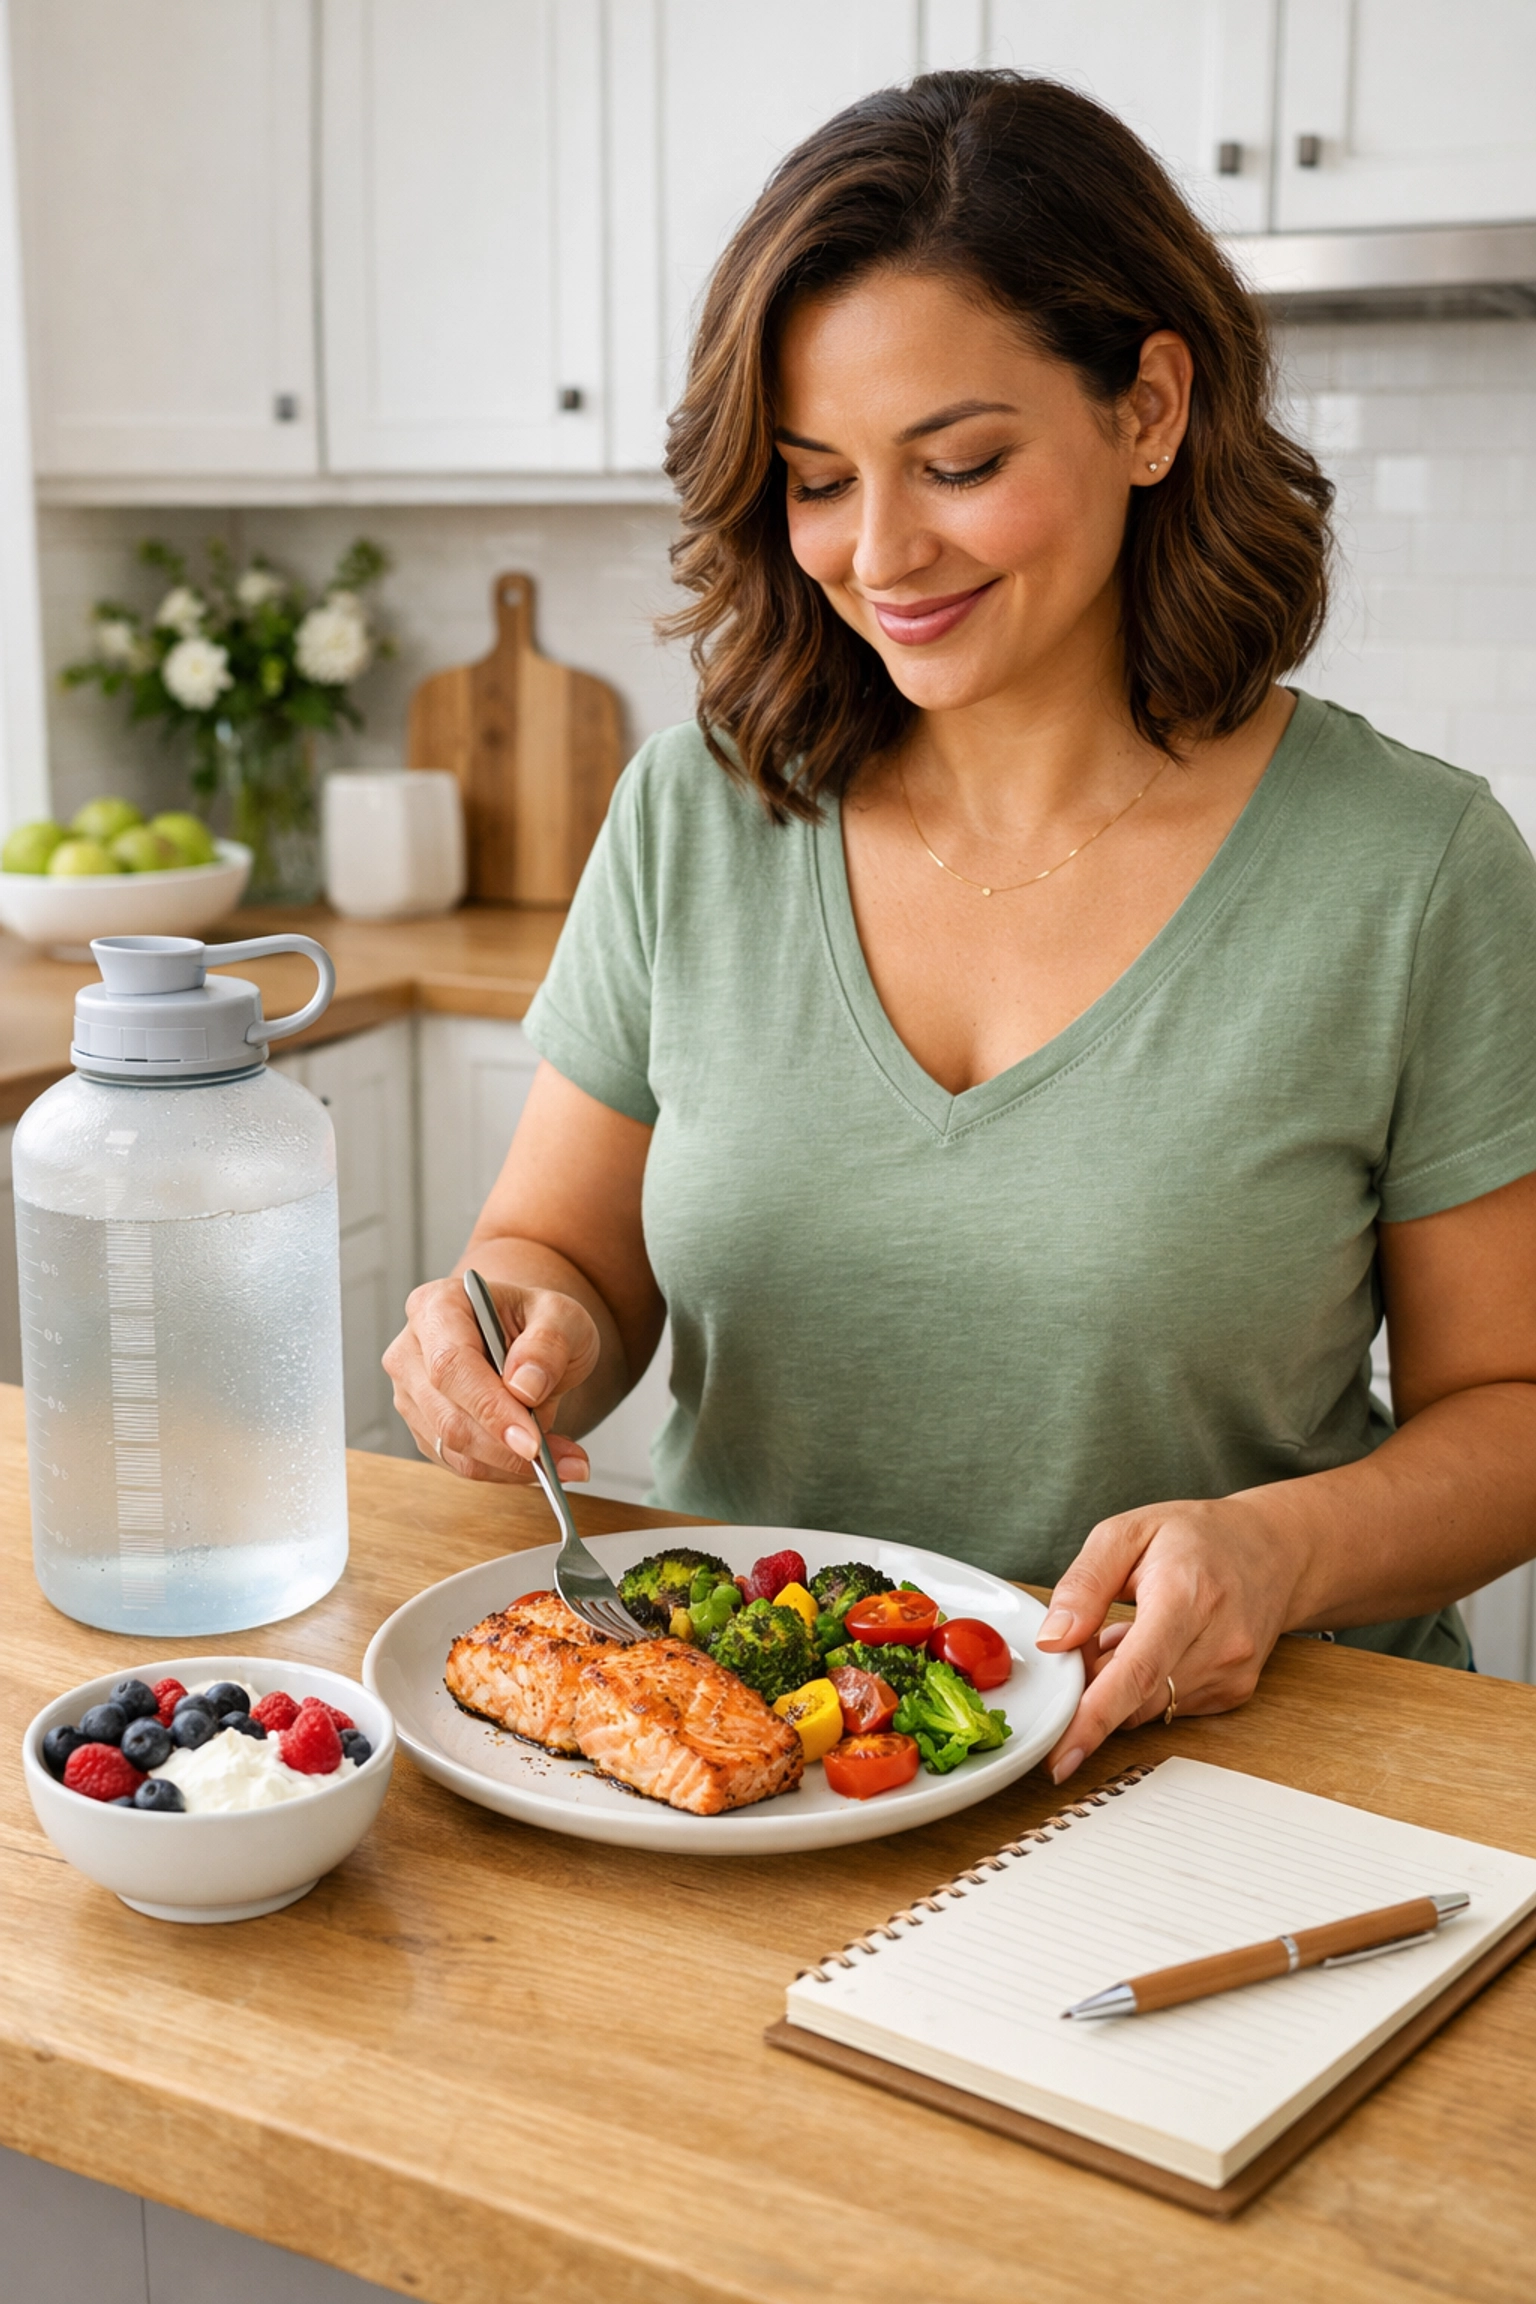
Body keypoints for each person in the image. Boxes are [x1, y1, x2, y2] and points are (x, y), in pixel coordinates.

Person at [385, 71, 1536, 1784]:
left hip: (1243, 1771)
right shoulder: (698, 810)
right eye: (817, 480)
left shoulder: (1414, 867)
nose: (882, 551)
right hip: (734, 1757)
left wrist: (1277, 1551)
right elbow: (567, 1258)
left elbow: (1508, 1415)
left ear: (1150, 408)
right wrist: (509, 1326)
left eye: (962, 461)